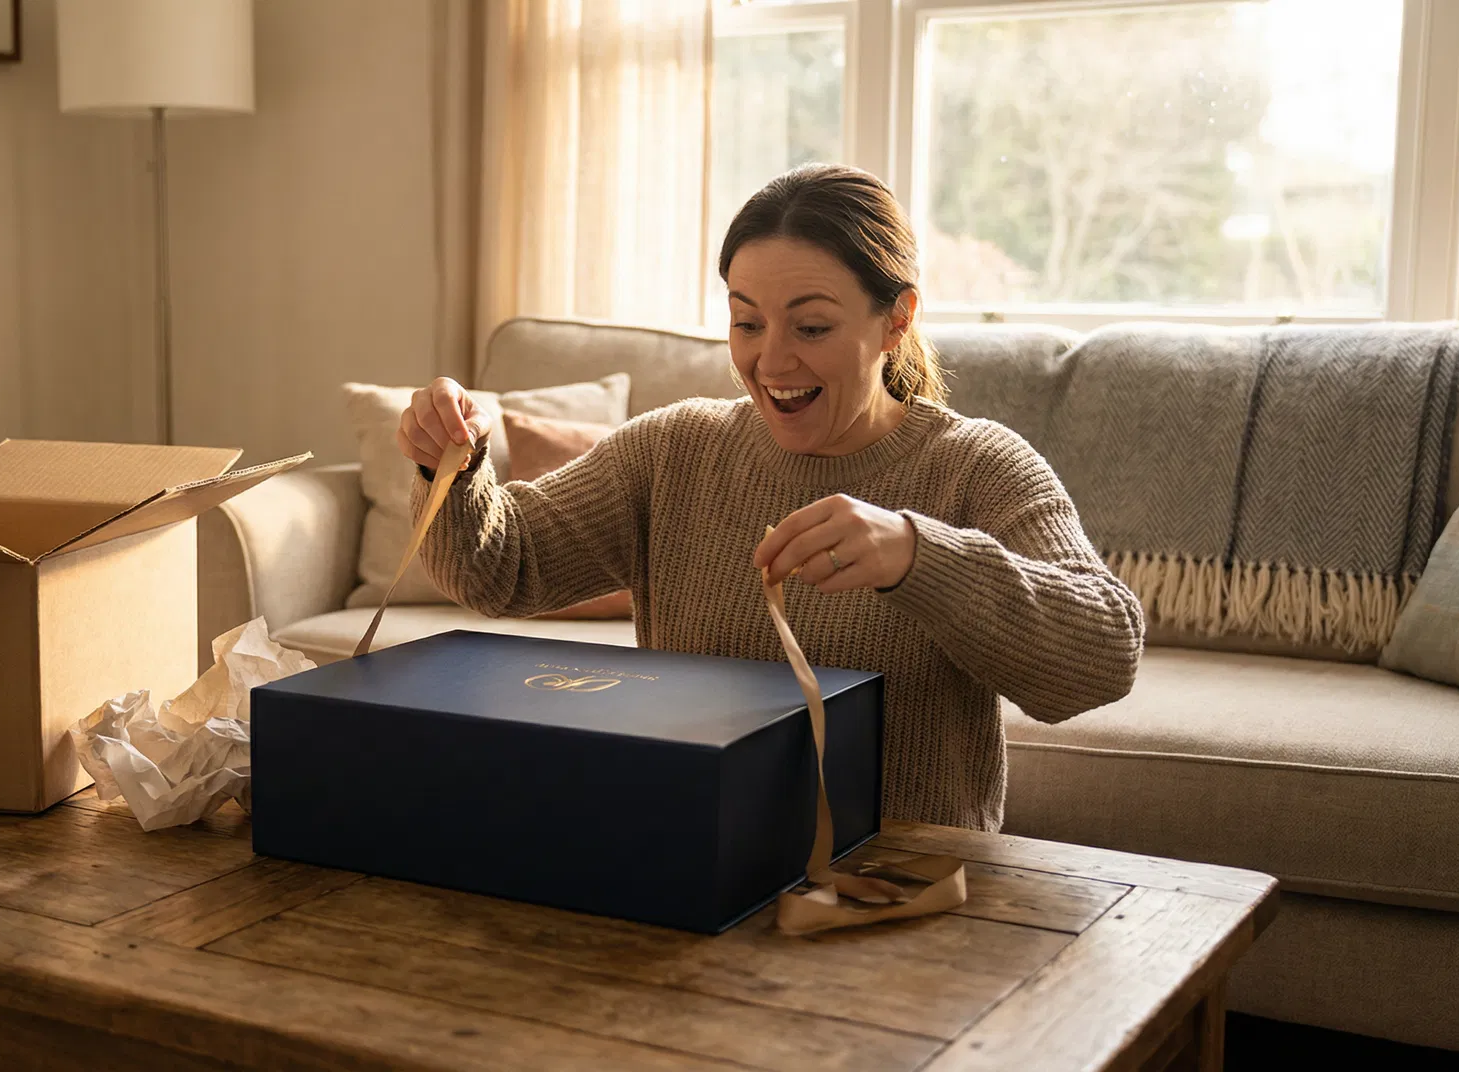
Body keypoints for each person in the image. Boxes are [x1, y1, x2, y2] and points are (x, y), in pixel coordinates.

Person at [396, 163, 1142, 832]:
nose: (770, 360)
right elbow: (499, 570)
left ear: (898, 318)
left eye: (811, 326)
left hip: (895, 894)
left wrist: (917, 556)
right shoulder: (673, 452)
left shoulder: (977, 467)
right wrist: (450, 470)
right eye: (746, 321)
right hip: (693, 856)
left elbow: (1102, 658)